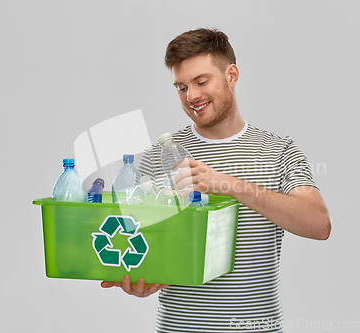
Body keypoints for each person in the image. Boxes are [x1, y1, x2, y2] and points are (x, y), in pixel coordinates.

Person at [101, 28, 331, 332]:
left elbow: (318, 224)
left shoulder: (278, 151)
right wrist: (145, 277)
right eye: (181, 86)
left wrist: (227, 184)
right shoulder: (159, 155)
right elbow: (145, 241)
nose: (191, 96)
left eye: (201, 82)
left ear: (231, 75)